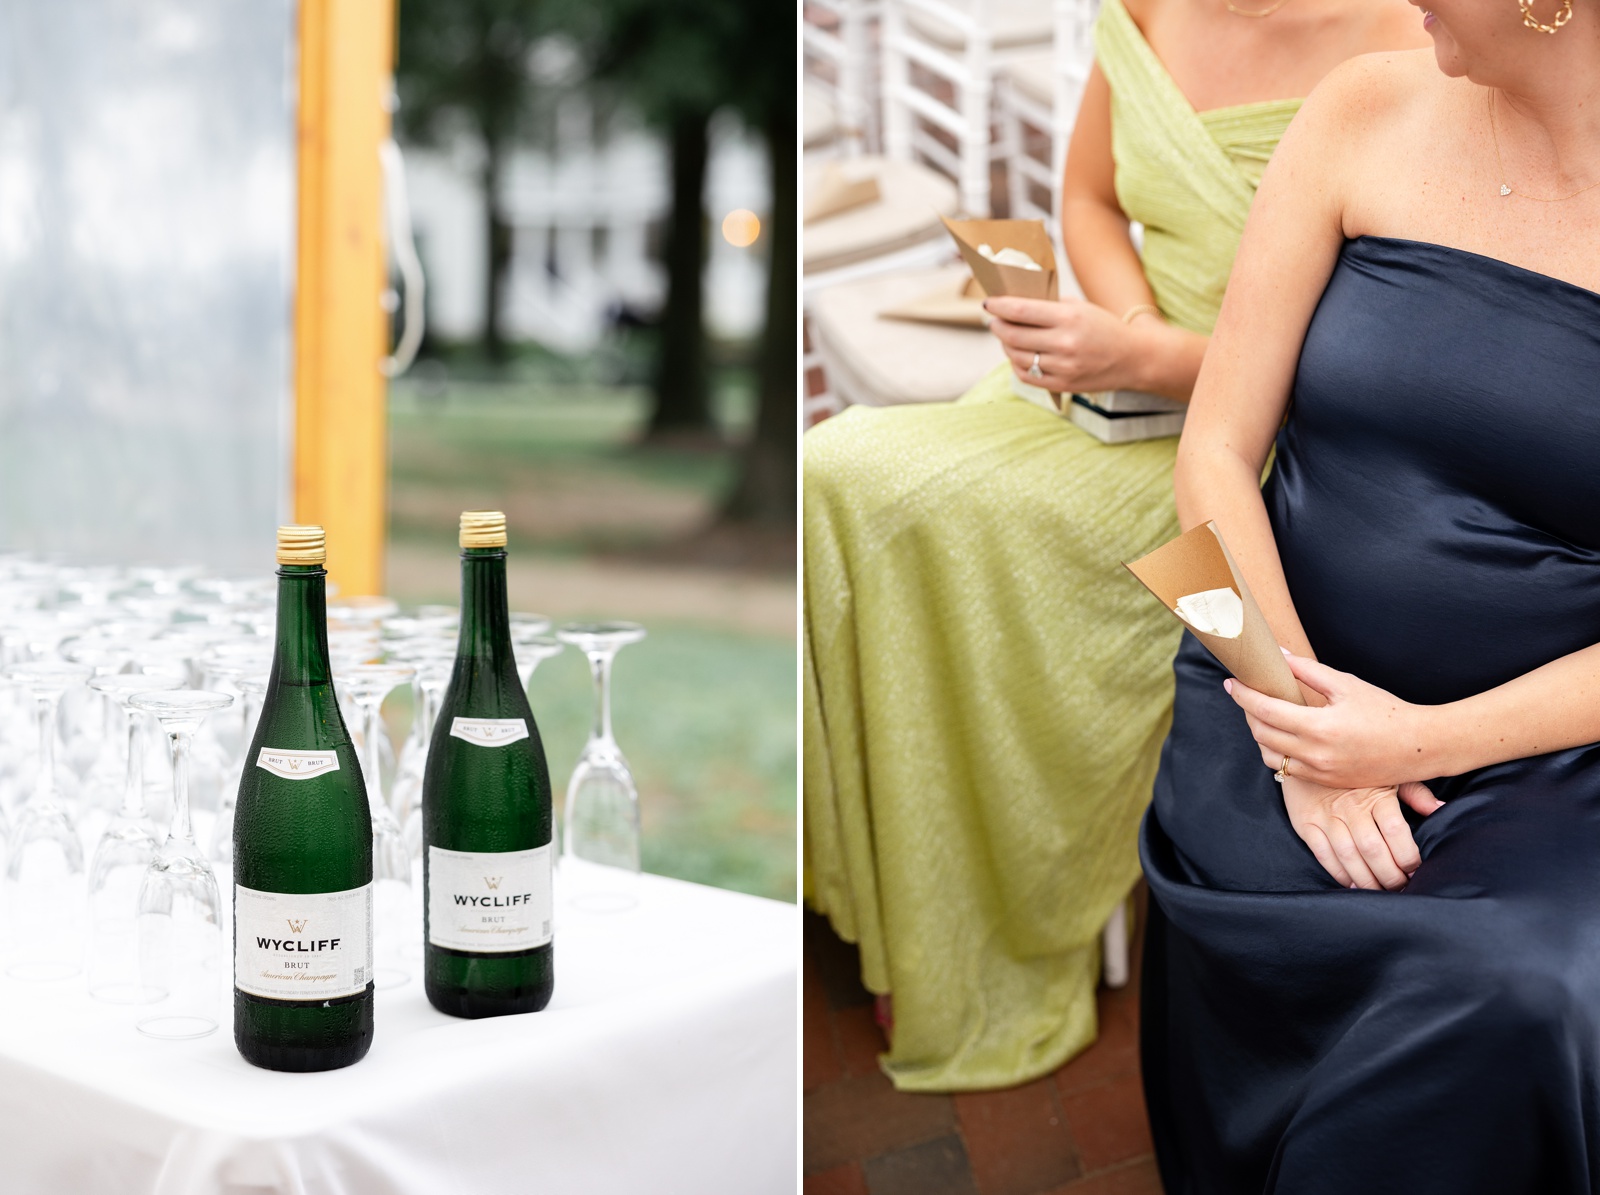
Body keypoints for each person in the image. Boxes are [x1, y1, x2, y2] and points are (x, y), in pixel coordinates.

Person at [804, 0, 1426, 1091]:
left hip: (1283, 430)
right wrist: (1121, 336)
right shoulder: (1146, 5)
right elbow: (1086, 198)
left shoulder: (1412, 40)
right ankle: (895, 884)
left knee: (935, 515)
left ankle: (984, 914)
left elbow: (1384, 351)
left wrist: (1157, 358)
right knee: (834, 475)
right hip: (1131, 387)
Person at [1142, 0, 1600, 1185]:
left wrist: (1414, 738)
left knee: (1515, 990)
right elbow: (1211, 455)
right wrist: (1301, 729)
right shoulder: (1360, 106)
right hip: (1261, 665)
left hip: (1545, 745)